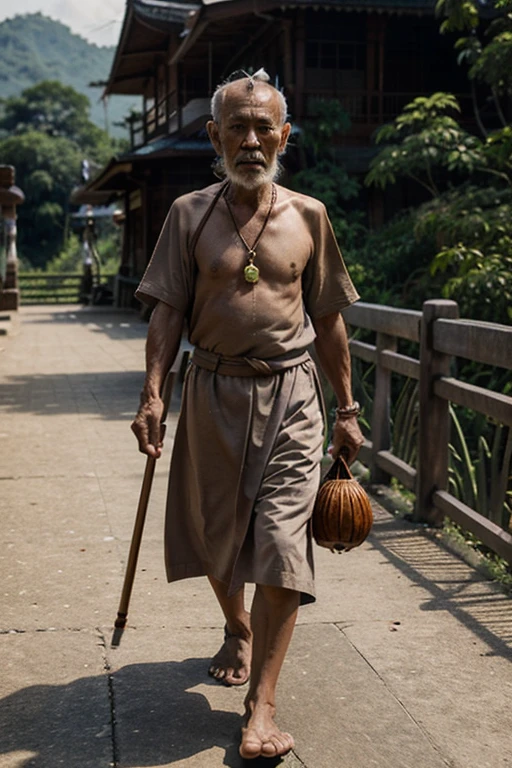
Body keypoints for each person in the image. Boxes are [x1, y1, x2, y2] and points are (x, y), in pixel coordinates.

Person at [131, 69, 364, 760]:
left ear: (284, 135)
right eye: (239, 125)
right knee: (215, 533)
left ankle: (261, 705)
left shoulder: (310, 216)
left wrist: (346, 408)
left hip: (293, 395)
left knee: (283, 546)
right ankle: (237, 624)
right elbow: (167, 310)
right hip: (212, 392)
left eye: (266, 126)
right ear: (215, 135)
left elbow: (329, 319)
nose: (253, 139)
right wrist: (152, 394)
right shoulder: (189, 215)